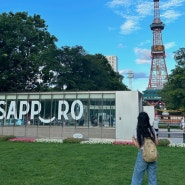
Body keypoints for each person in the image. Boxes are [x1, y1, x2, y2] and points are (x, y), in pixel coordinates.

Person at [131, 112, 158, 185]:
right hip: (152, 155)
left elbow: (139, 146)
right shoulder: (152, 130)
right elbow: (156, 143)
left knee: (137, 177)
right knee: (152, 179)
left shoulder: (137, 131)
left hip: (142, 155)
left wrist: (133, 140)